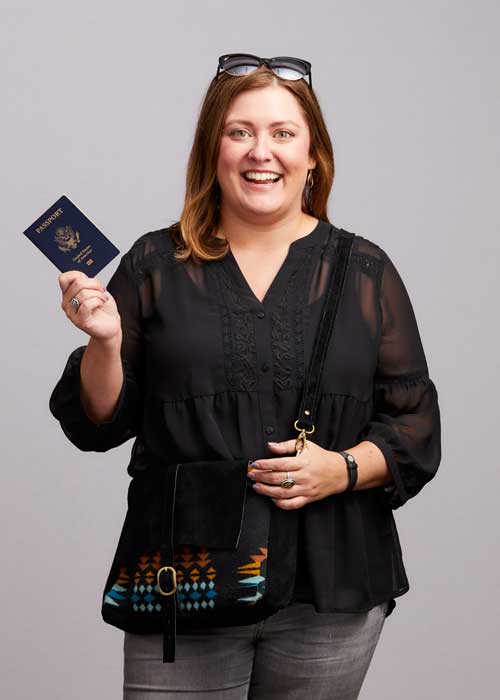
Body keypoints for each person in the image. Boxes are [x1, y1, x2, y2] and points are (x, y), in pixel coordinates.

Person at [49, 54, 442, 700]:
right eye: (240, 132)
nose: (262, 152)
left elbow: (416, 425)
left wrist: (338, 469)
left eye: (283, 133)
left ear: (313, 154)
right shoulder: (154, 263)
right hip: (186, 581)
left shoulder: (364, 270)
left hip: (330, 588)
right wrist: (106, 343)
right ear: (213, 149)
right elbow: (97, 421)